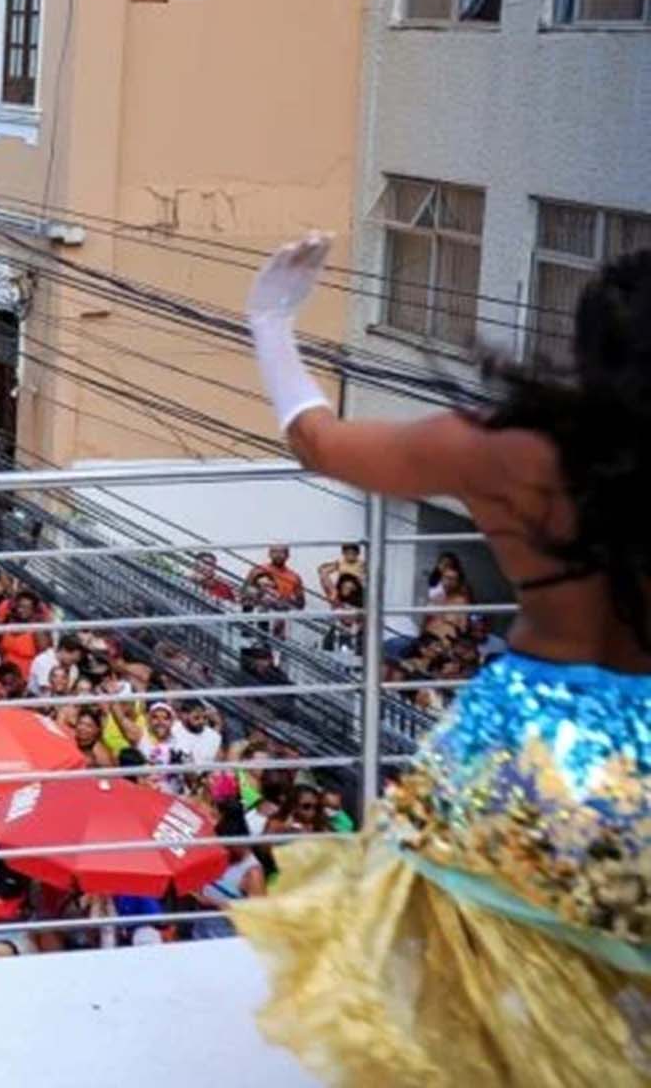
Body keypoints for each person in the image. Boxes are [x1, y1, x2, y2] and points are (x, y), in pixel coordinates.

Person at [228, 235, 649, 1085]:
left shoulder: (509, 450)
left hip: (519, 758)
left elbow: (320, 442)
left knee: (494, 1005)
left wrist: (271, 322)